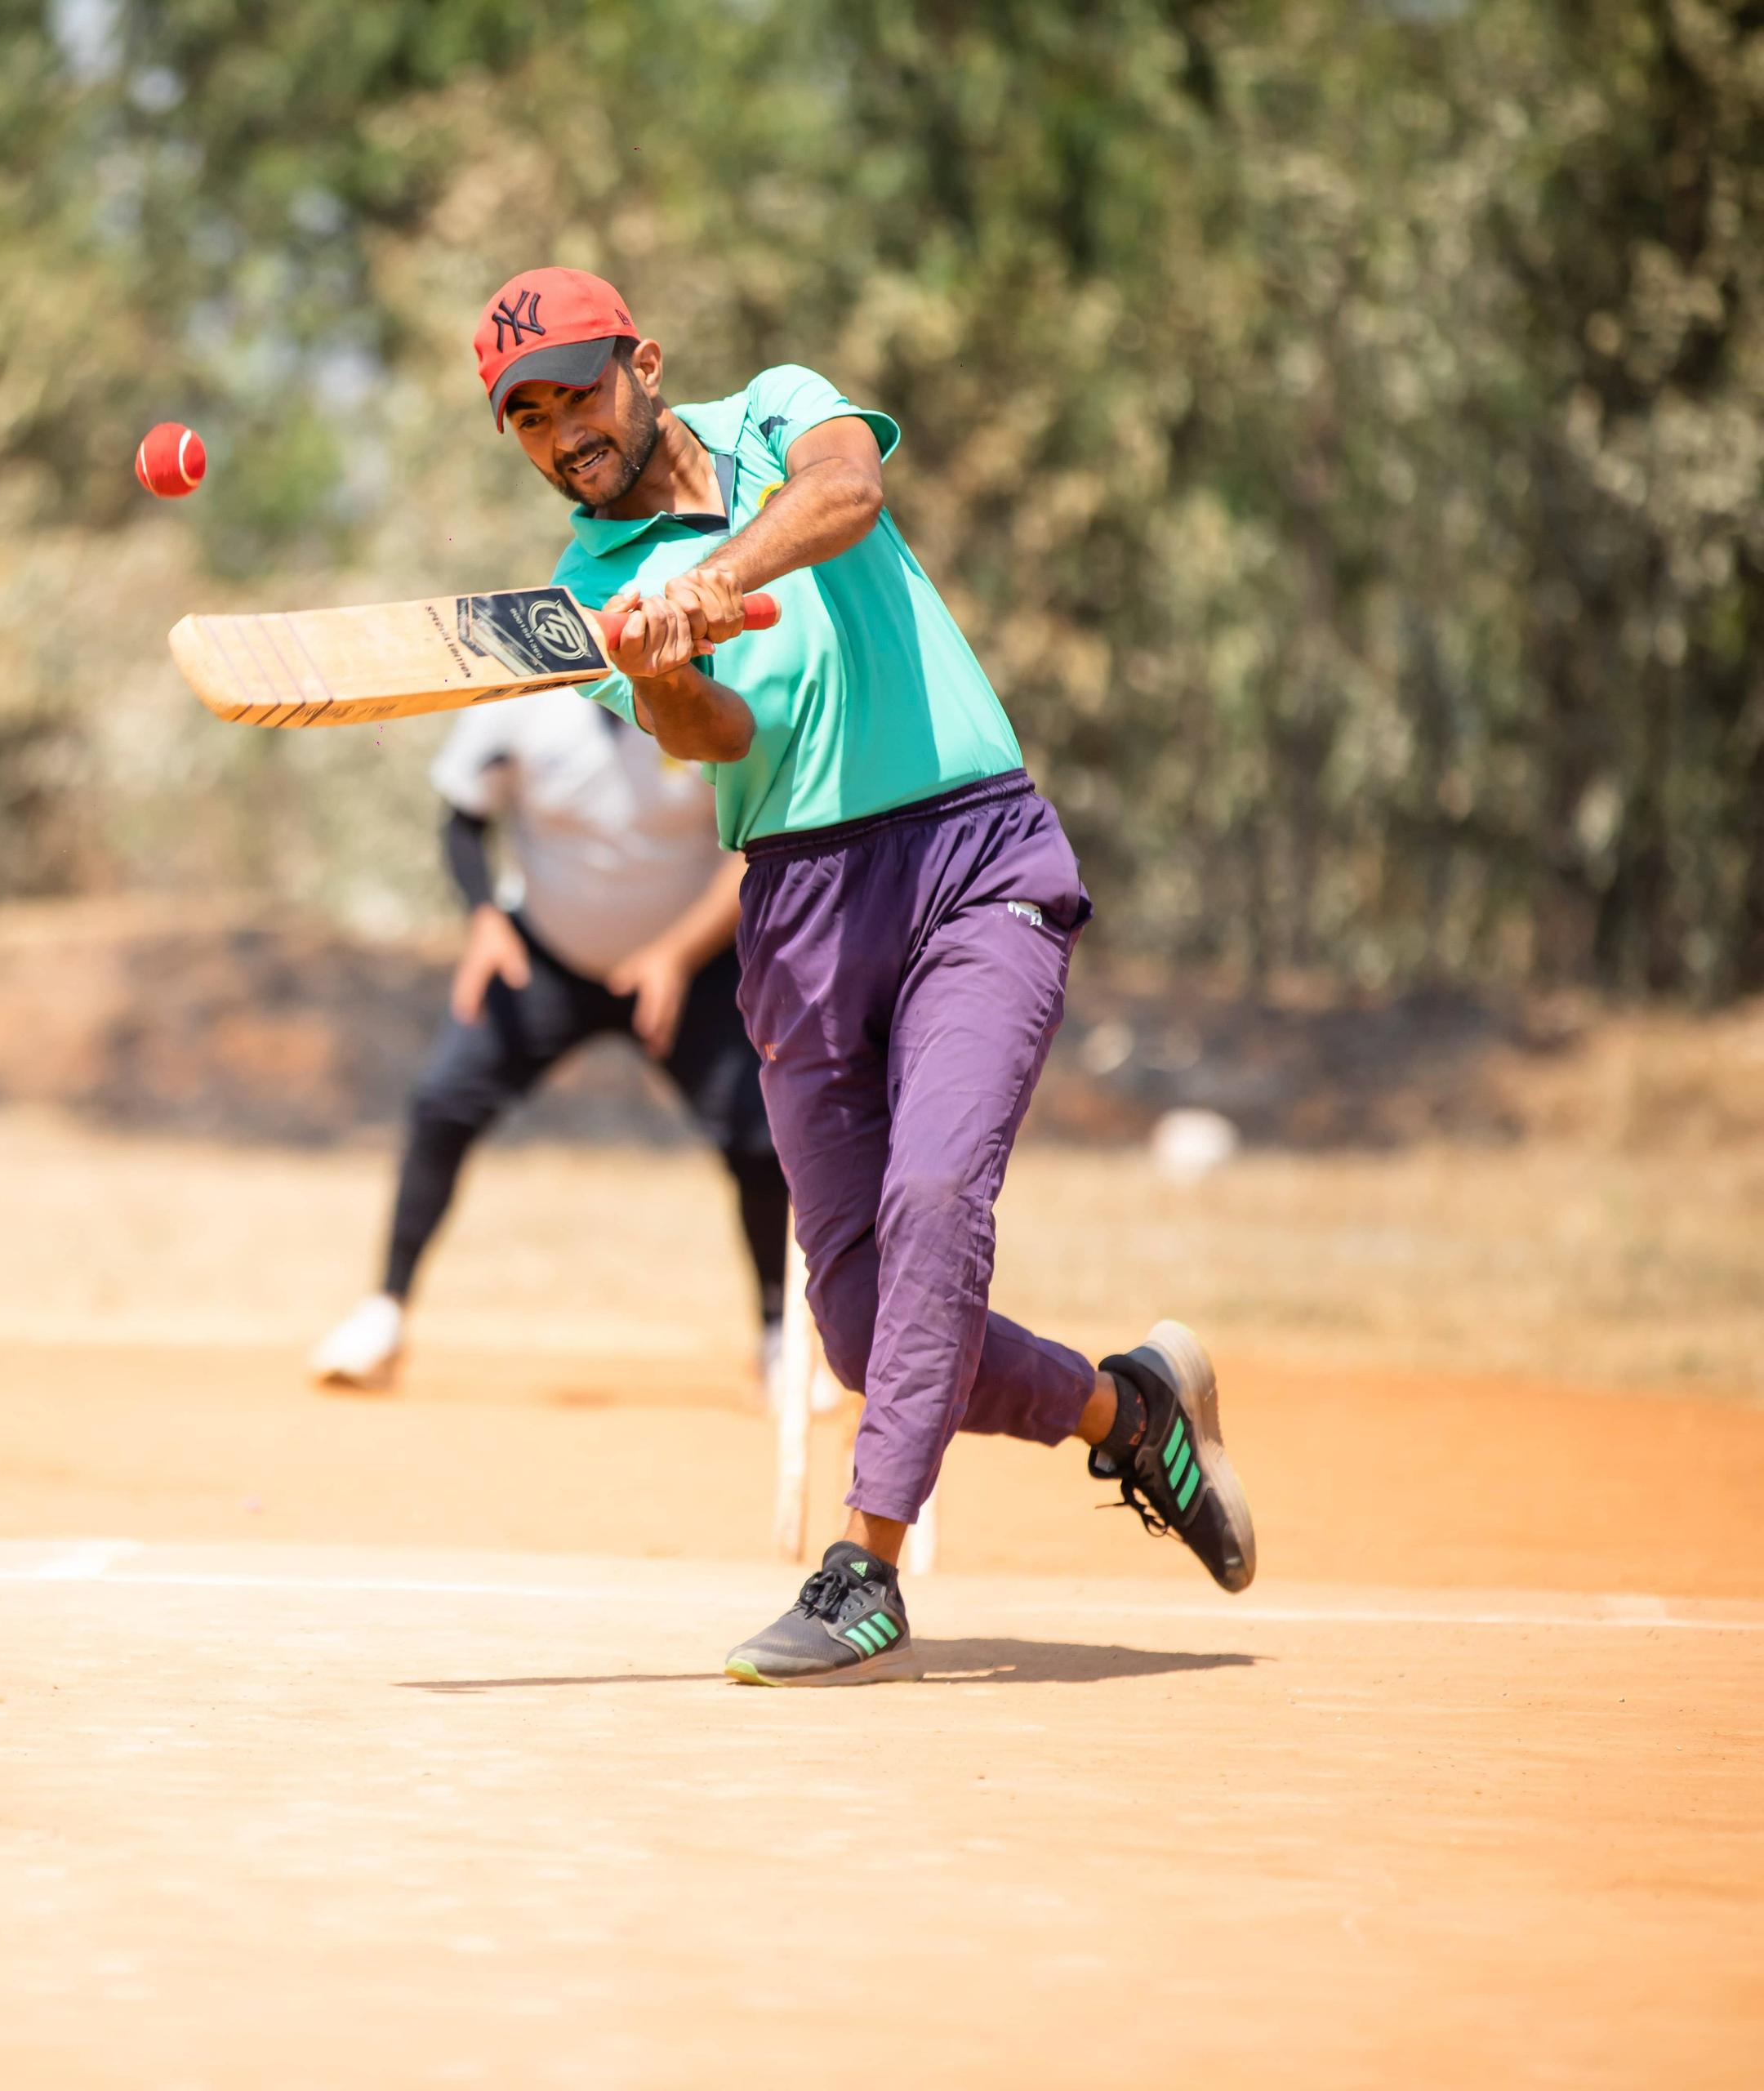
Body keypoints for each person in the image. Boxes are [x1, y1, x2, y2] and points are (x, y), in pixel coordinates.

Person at [470, 265, 1254, 1683]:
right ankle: (1130, 1417)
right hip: (802, 900)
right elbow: (711, 739)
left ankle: (865, 1570)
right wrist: (656, 670)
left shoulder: (777, 415)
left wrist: (714, 581)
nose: (559, 430)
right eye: (525, 415)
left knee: (939, 1194)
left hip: (974, 856)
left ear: (644, 360)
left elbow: (850, 496)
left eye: (577, 388)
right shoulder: (593, 588)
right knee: (858, 1321)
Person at [309, 689, 790, 1393]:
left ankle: (778, 1338)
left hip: (688, 966)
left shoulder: (713, 702)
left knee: (759, 1136)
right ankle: (383, 1316)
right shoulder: (522, 703)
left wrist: (677, 956)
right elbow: (464, 820)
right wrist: (485, 920)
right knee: (442, 1101)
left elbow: (754, 852)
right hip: (543, 957)